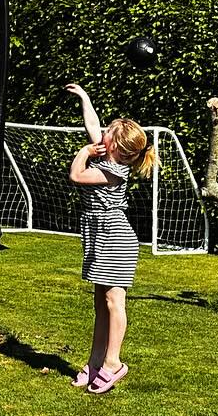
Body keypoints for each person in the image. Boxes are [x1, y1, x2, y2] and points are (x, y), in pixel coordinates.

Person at [65, 82, 154, 394]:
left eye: (107, 133)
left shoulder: (115, 172)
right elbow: (92, 124)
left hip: (115, 238)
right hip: (99, 236)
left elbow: (76, 175)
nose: (100, 134)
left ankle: (113, 363)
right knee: (100, 303)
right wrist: (85, 97)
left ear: (114, 145)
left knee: (114, 302)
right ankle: (94, 363)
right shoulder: (107, 156)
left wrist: (83, 152)